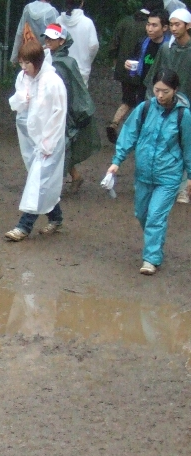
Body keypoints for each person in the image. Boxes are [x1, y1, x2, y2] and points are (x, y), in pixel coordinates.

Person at [106, 68, 191, 275]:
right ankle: (156, 245)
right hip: (143, 173)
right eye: (157, 90)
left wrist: (189, 176)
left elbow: (188, 146)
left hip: (169, 176)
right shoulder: (144, 109)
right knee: (142, 213)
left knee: (155, 216)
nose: (160, 95)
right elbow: (129, 134)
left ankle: (151, 258)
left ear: (175, 90)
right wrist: (117, 161)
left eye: (165, 91)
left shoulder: (183, 115)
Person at [5, 40, 67, 241]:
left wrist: (48, 142)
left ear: (38, 61)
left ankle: (24, 225)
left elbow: (58, 114)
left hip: (50, 140)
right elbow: (20, 103)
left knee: (38, 181)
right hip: (30, 137)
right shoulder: (24, 78)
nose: (24, 68)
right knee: (42, 180)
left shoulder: (53, 82)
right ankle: (55, 217)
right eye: (21, 63)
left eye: (27, 64)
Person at [42, 24, 100, 191]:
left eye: (52, 38)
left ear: (62, 41)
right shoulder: (48, 59)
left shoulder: (66, 63)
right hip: (52, 109)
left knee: (61, 146)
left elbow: (75, 89)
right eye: (46, 37)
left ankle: (54, 186)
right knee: (57, 145)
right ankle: (74, 176)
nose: (48, 41)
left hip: (64, 112)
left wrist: (79, 112)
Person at [145, 7, 191, 201]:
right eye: (171, 24)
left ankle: (183, 187)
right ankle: (168, 183)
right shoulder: (166, 48)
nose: (173, 28)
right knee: (167, 140)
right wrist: (152, 98)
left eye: (177, 24)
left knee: (185, 143)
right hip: (167, 103)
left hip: (186, 103)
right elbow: (155, 75)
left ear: (188, 26)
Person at [107, 7, 169, 143]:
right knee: (139, 111)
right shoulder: (143, 42)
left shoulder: (168, 47)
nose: (150, 29)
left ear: (164, 28)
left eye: (154, 25)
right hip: (142, 85)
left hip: (161, 90)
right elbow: (135, 58)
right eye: (148, 24)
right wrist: (128, 65)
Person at [56, 0, 98, 86]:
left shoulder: (58, 21)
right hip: (81, 69)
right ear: (81, 3)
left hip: (61, 68)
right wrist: (87, 61)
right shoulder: (87, 23)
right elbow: (94, 45)